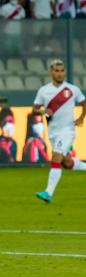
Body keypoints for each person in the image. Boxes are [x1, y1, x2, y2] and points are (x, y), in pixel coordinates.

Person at [33, 59, 86, 203]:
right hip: (53, 132)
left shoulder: (72, 89)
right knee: (66, 163)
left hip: (67, 131)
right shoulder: (44, 91)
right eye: (56, 71)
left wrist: (81, 117)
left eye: (62, 71)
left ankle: (48, 193)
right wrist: (44, 110)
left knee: (56, 157)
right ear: (51, 72)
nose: (60, 74)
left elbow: (84, 102)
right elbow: (35, 110)